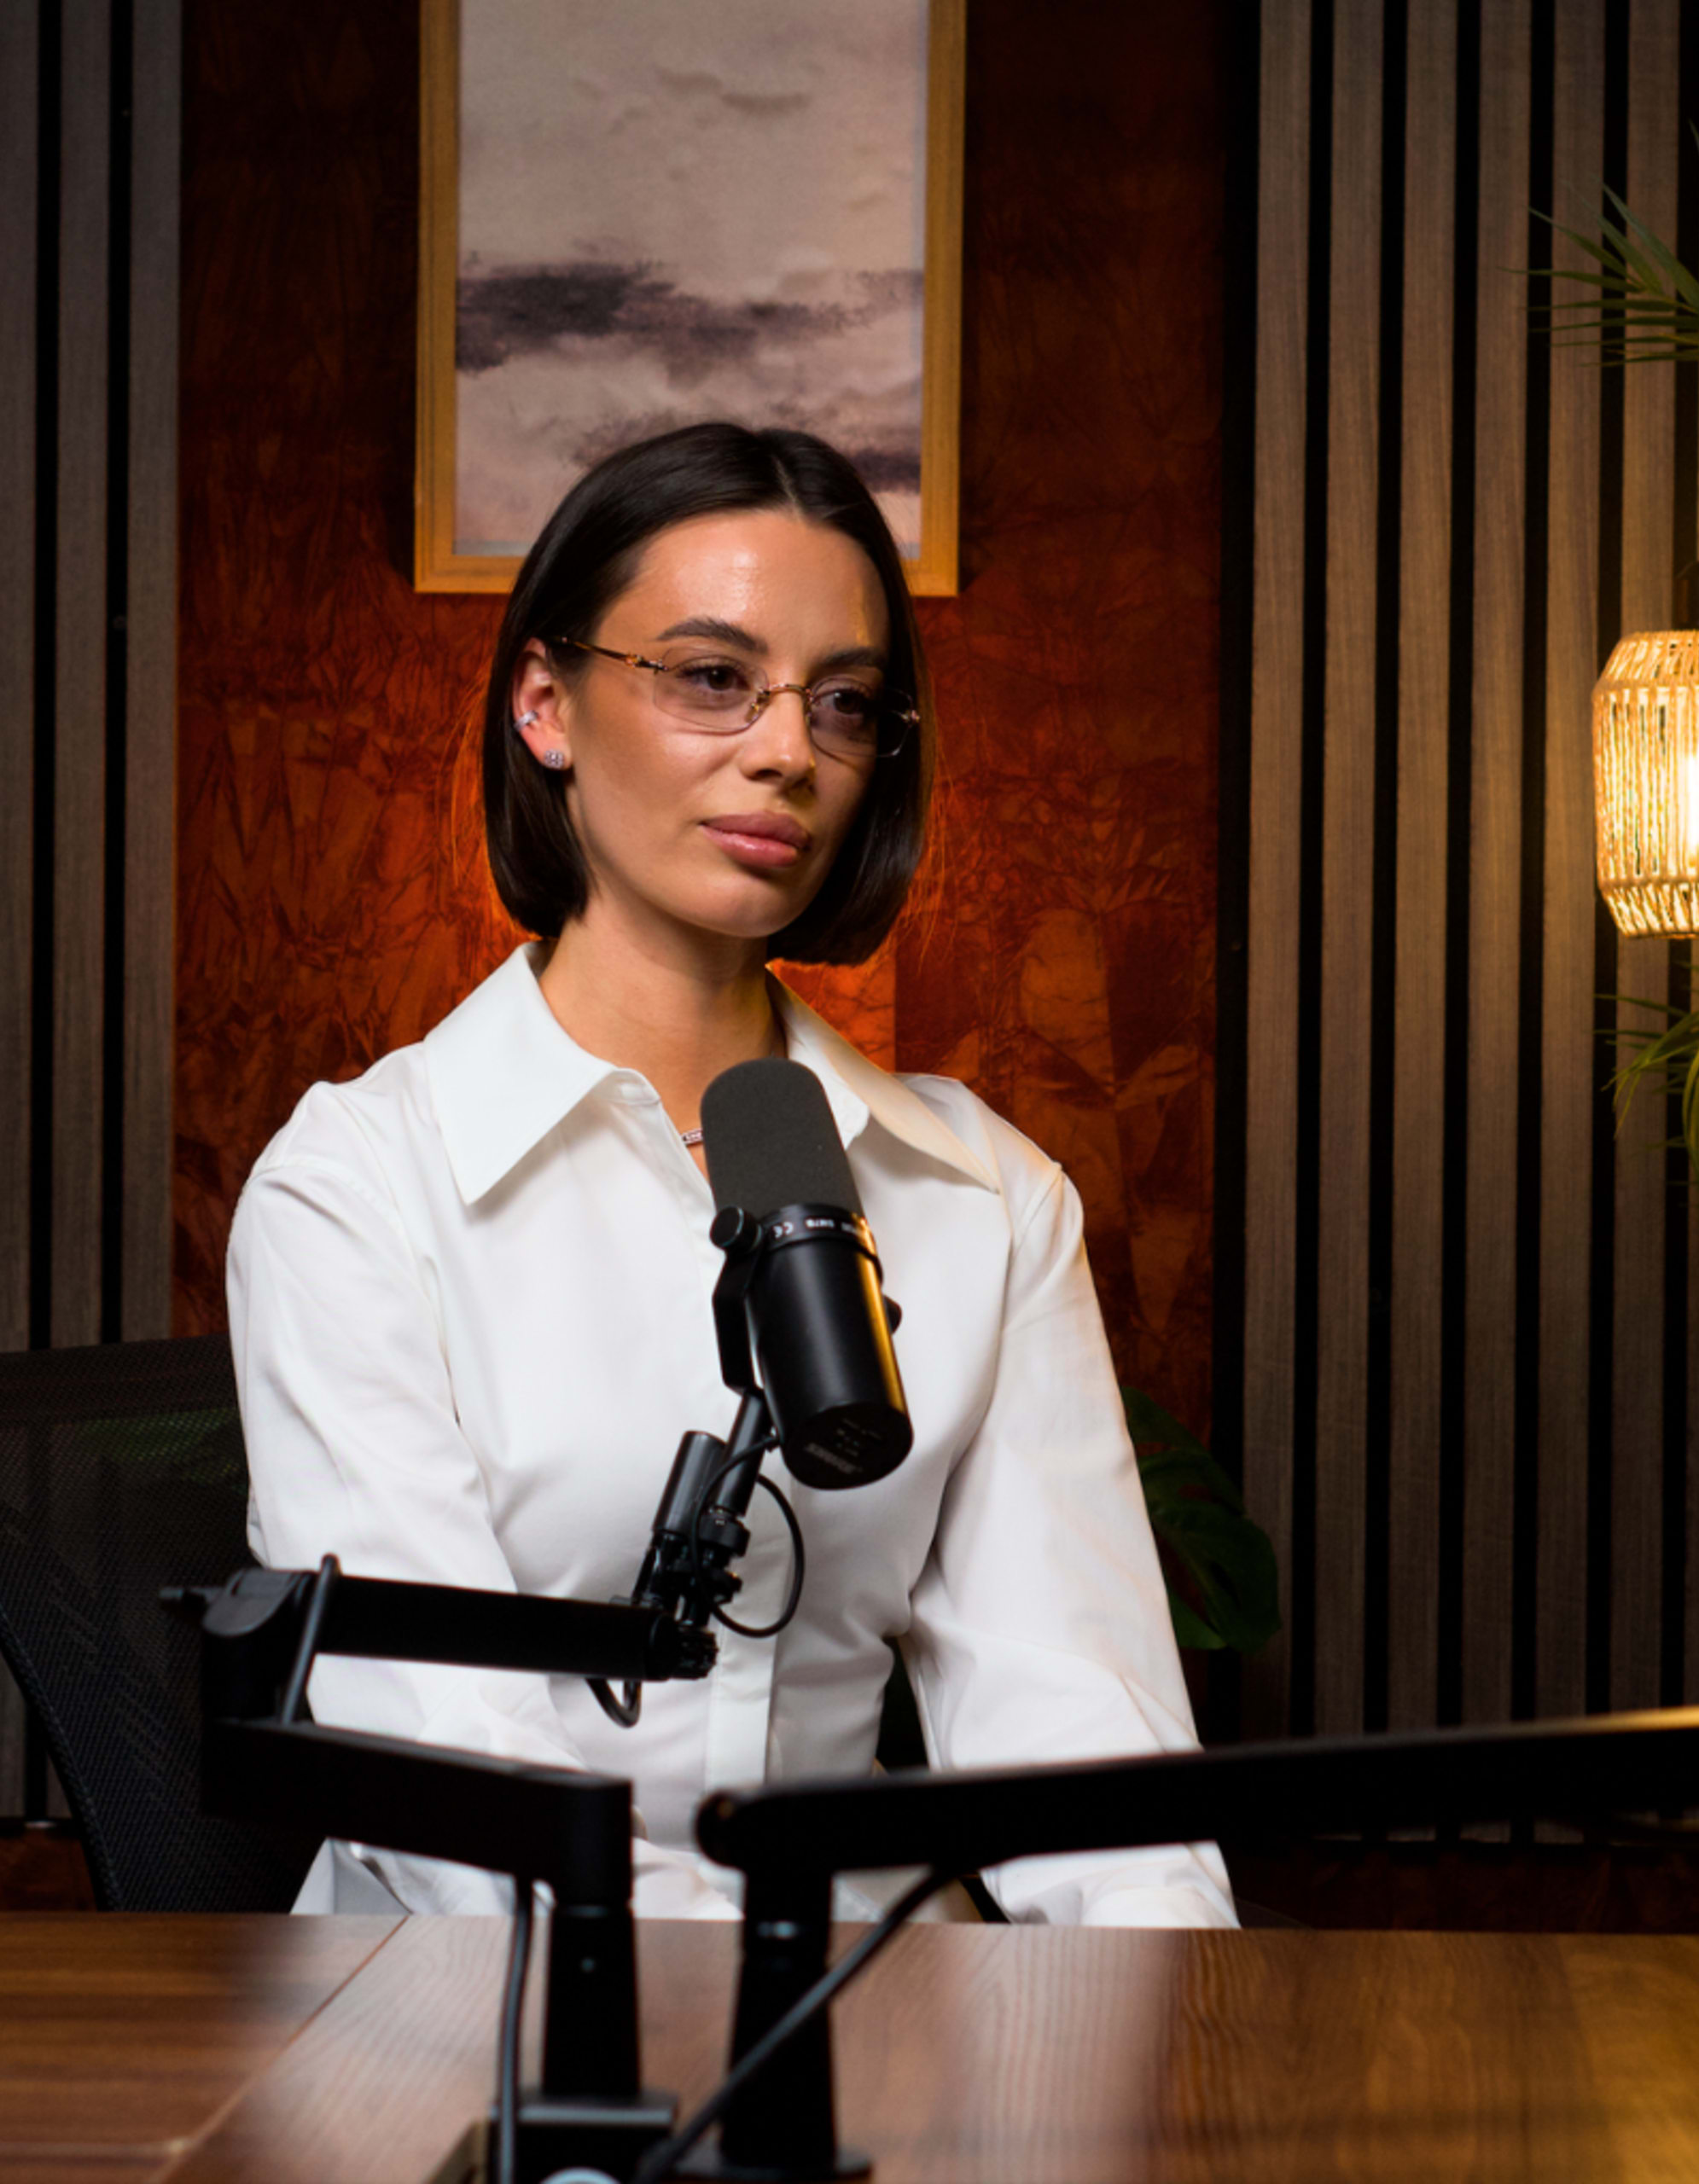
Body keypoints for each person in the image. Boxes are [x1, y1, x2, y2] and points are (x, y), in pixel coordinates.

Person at [226, 421, 1233, 1926]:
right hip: (474, 2049)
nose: (785, 750)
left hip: (856, 2028)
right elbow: (446, 1790)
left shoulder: (984, 1203)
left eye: (844, 704)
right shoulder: (359, 1187)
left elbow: (1085, 1755)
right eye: (711, 678)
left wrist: (1170, 2086)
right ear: (546, 705)